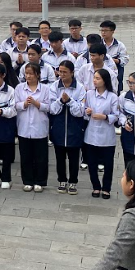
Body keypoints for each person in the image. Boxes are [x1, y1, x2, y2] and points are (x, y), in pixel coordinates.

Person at [49, 60, 86, 195]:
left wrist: (69, 101)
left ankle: (73, 181)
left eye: (65, 72)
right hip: (58, 127)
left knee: (74, 158)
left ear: (72, 72)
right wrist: (60, 101)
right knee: (59, 157)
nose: (62, 74)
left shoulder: (80, 88)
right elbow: (52, 109)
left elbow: (80, 111)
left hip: (74, 128)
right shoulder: (54, 86)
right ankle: (62, 180)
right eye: (60, 71)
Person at [83, 68, 120, 199]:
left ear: (105, 81)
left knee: (108, 164)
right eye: (94, 78)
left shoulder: (112, 97)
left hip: (106, 135)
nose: (94, 81)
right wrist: (87, 112)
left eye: (98, 78)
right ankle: (96, 186)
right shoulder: (89, 94)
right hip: (91, 133)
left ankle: (106, 188)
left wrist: (105, 117)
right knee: (92, 163)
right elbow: (84, 110)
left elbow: (116, 115)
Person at [14, 63, 50, 192]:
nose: (28, 76)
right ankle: (28, 180)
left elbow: (49, 107)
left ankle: (40, 181)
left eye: (31, 73)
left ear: (38, 75)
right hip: (24, 127)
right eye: (26, 73)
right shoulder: (19, 88)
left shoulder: (45, 89)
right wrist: (24, 104)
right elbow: (15, 105)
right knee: (26, 156)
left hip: (39, 127)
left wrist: (36, 103)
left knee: (41, 157)